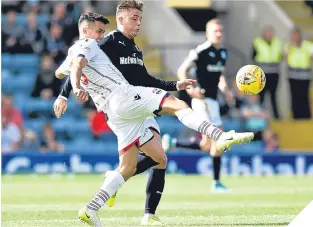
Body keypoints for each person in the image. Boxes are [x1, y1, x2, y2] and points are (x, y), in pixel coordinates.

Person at [57, 12, 254, 227]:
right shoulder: (93, 44)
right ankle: (220, 135)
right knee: (178, 105)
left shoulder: (107, 48)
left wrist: (62, 95)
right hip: (124, 97)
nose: (101, 35)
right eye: (98, 31)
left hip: (115, 113)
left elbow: (63, 72)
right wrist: (74, 88)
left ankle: (92, 209)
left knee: (140, 163)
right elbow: (77, 65)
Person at [54, 1, 188, 224]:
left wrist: (174, 85)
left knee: (157, 158)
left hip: (139, 101)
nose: (138, 23)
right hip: (123, 104)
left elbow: (145, 79)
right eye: (135, 18)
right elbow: (78, 64)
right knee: (151, 159)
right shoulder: (102, 43)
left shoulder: (134, 47)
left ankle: (137, 210)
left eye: (139, 19)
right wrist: (66, 92)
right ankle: (140, 207)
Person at [162, 19, 234, 192]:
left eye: (220, 31)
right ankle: (216, 183)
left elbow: (220, 74)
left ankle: (173, 142)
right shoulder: (200, 51)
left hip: (214, 101)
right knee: (219, 137)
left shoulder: (223, 52)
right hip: (201, 101)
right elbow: (182, 70)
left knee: (206, 145)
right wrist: (190, 90)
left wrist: (225, 88)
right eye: (215, 31)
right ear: (208, 33)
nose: (218, 34)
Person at [252, 26, 283, 119]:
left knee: (273, 95)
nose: (269, 34)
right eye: (267, 32)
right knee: (261, 96)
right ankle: (259, 115)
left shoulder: (277, 43)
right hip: (262, 73)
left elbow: (281, 56)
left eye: (270, 32)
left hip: (274, 73)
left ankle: (276, 116)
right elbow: (253, 57)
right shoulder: (257, 42)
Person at [284, 27, 313, 119]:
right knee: (294, 96)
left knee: (304, 95)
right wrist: (291, 47)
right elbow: (285, 58)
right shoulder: (288, 46)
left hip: (305, 75)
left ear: (299, 35)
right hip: (293, 74)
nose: (294, 37)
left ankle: (306, 115)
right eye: (293, 35)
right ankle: (296, 115)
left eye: (296, 35)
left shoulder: (308, 45)